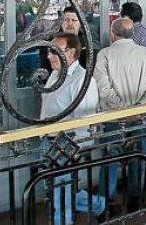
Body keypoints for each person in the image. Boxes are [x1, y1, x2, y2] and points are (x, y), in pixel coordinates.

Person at [94, 18, 146, 211]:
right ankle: (135, 199)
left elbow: (103, 88)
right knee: (138, 158)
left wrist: (121, 109)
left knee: (109, 159)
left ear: (112, 34)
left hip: (113, 118)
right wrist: (138, 107)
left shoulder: (104, 54)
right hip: (139, 117)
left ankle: (106, 201)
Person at [40, 33, 104, 224]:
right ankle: (97, 205)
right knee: (57, 191)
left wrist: (72, 150)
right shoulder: (54, 74)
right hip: (48, 142)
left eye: (55, 51)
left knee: (61, 196)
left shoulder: (83, 81)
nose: (49, 56)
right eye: (49, 50)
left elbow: (86, 122)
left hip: (65, 145)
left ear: (71, 52)